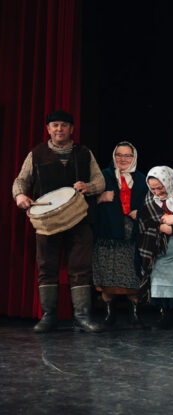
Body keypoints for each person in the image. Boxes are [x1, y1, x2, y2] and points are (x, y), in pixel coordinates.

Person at [12, 110, 104, 333]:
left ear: (71, 129)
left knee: (81, 268)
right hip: (47, 222)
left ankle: (82, 317)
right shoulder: (36, 153)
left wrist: (89, 186)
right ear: (48, 129)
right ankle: (49, 317)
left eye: (64, 125)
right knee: (47, 267)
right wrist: (20, 195)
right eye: (55, 125)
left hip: (79, 220)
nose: (59, 129)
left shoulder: (84, 153)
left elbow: (100, 181)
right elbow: (21, 180)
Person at [93, 141, 147, 329]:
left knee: (132, 275)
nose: (123, 159)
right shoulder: (102, 176)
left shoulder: (142, 179)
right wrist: (101, 198)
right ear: (113, 157)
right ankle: (110, 315)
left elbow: (151, 204)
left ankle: (134, 315)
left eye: (127, 155)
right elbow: (86, 200)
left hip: (132, 234)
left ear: (134, 158)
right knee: (108, 275)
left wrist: (139, 213)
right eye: (119, 155)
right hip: (108, 233)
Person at [138, 166, 173, 329]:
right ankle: (167, 316)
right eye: (153, 189)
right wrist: (160, 227)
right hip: (158, 249)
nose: (157, 192)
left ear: (168, 181)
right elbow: (144, 220)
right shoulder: (150, 198)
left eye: (160, 187)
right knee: (159, 280)